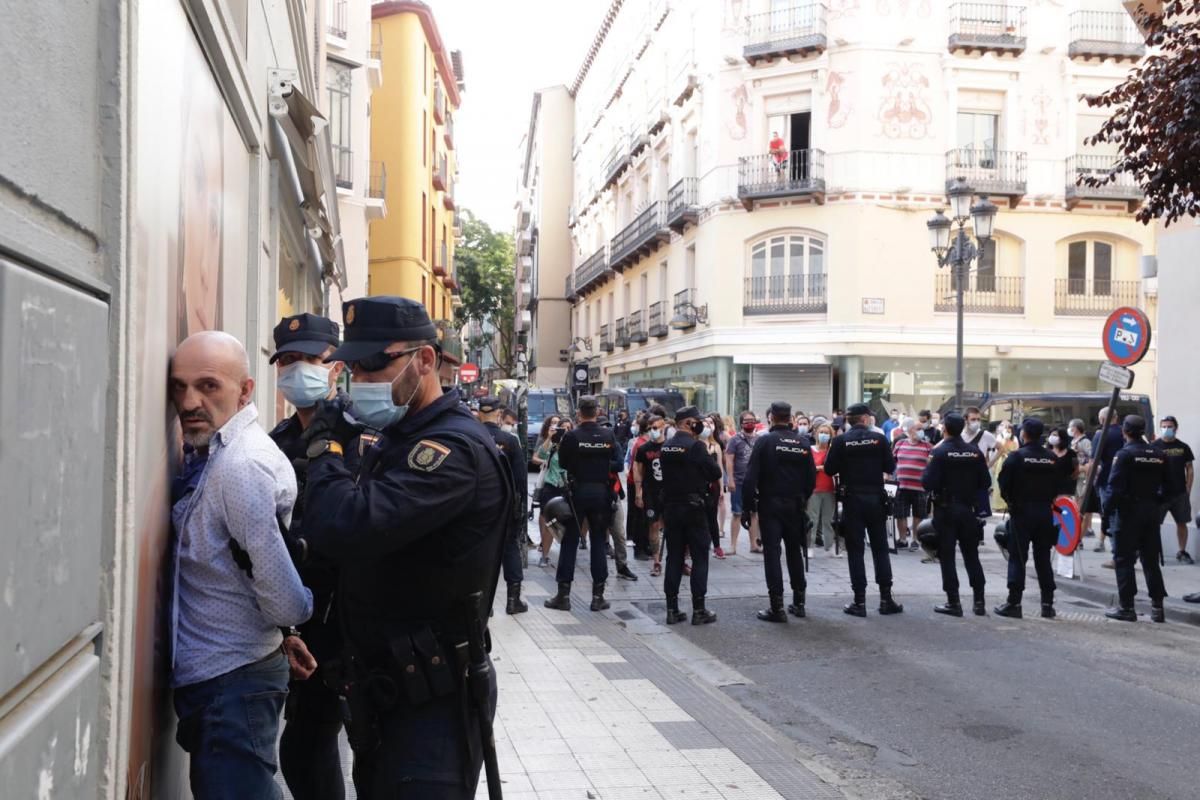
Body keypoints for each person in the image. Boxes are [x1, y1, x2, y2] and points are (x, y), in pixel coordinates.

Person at [300, 297, 511, 798]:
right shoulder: (397, 437)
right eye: (353, 365)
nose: (361, 376)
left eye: (376, 362)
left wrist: (325, 449)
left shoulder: (451, 451)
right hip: (385, 692)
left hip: (430, 706)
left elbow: (346, 526)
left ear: (425, 360)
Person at [168, 331, 314, 800]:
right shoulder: (218, 452)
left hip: (231, 683)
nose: (189, 401)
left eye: (208, 386)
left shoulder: (241, 466)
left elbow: (284, 593)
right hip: (226, 679)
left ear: (245, 390)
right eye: (179, 386)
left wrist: (288, 623)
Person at [267, 314, 352, 800]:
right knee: (304, 746)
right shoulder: (275, 443)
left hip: (345, 622)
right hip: (291, 621)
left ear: (334, 368)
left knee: (312, 744)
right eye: (289, 361)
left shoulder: (362, 439)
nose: (298, 371)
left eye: (310, 360)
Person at [823, 402, 902, 617]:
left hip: (852, 500)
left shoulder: (841, 441)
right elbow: (889, 467)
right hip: (876, 498)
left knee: (856, 551)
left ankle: (859, 602)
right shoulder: (879, 439)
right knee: (880, 549)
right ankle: (886, 599)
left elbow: (829, 469)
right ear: (865, 419)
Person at [544, 395, 622, 612]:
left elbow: (565, 463)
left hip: (578, 492)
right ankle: (598, 597)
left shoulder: (572, 436)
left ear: (579, 412)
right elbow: (618, 464)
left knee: (570, 541)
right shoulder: (608, 434)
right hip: (601, 493)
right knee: (598, 541)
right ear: (597, 411)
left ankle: (563, 595)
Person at [741, 402, 817, 622]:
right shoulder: (802, 443)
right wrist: (802, 498)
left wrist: (747, 508)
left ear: (771, 417)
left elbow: (750, 477)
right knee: (794, 551)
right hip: (795, 505)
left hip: (770, 504)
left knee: (772, 553)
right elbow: (811, 478)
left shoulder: (765, 441)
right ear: (790, 417)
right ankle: (799, 602)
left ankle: (777, 606)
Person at [922, 413, 992, 617]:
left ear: (944, 429)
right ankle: (979, 601)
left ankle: (953, 602)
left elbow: (927, 483)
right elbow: (985, 482)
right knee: (972, 556)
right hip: (968, 510)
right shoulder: (975, 452)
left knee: (947, 556)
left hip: (946, 510)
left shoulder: (940, 452)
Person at [994, 418, 1065, 619]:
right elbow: (1058, 484)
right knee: (1043, 558)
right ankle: (1047, 604)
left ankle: (1014, 602)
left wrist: (1011, 501)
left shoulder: (1017, 457)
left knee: (1018, 557)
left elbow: (1003, 483)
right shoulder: (1051, 458)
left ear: (1024, 434)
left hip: (1022, 512)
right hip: (1044, 512)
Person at [660, 407, 723, 624]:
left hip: (671, 507)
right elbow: (716, 472)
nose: (700, 425)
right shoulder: (696, 446)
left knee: (674, 557)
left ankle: (671, 608)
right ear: (687, 423)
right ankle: (699, 609)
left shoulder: (666, 446)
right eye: (697, 421)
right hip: (694, 508)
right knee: (699, 558)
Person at [1105, 415, 1170, 623]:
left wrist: (1107, 513)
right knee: (1150, 560)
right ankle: (1158, 608)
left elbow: (1113, 488)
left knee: (1123, 559)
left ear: (1125, 431)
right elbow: (1168, 486)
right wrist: (1155, 503)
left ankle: (1127, 607)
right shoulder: (1159, 454)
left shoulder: (1124, 455)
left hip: (1128, 512)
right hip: (1150, 512)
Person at [478, 396, 530, 614]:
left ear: (480, 414)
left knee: (480, 551)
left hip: (478, 504)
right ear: (499, 414)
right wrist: (522, 507)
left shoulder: (471, 436)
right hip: (506, 504)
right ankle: (512, 600)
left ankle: (482, 604)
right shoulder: (510, 440)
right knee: (510, 549)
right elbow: (520, 478)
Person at [1152, 416, 1195, 564]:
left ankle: (1182, 551)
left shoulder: (1183, 447)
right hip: (1159, 494)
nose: (1167, 429)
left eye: (1170, 426)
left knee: (1182, 523)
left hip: (1179, 493)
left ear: (1175, 428)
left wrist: (1188, 489)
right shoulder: (1154, 446)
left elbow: (1189, 469)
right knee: (1154, 524)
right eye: (1164, 426)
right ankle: (1153, 552)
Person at [1090, 407, 1126, 563]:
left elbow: (1094, 461)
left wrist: (1090, 482)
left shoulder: (1101, 434)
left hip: (1107, 481)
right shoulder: (1126, 432)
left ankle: (1117, 557)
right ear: (1116, 418)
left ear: (1102, 419)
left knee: (1111, 518)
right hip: (1127, 482)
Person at [533, 419, 571, 568]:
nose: (565, 431)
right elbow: (541, 453)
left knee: (567, 524)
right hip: (551, 486)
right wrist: (550, 437)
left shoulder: (573, 446)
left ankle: (567, 556)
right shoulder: (553, 446)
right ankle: (545, 555)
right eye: (562, 428)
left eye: (568, 428)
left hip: (567, 487)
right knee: (548, 521)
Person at [635, 414, 668, 576]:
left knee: (671, 525)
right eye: (650, 428)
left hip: (669, 492)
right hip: (651, 492)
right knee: (653, 524)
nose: (652, 431)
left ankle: (678, 559)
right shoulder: (643, 449)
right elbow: (638, 472)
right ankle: (656, 560)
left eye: (655, 428)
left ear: (663, 428)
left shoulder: (670, 446)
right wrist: (638, 493)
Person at [892, 418, 933, 551]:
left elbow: (932, 465)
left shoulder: (928, 446)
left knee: (918, 515)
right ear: (910, 430)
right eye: (918, 429)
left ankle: (915, 539)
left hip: (920, 487)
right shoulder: (900, 444)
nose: (921, 432)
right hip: (901, 486)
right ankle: (903, 539)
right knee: (900, 514)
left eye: (922, 429)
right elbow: (892, 461)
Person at [725, 411, 760, 554]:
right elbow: (729, 460)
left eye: (752, 420)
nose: (750, 423)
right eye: (746, 421)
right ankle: (733, 546)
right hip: (739, 481)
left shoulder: (759, 439)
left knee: (753, 513)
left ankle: (754, 544)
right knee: (737, 513)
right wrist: (730, 480)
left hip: (754, 483)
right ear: (741, 423)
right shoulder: (734, 440)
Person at [809, 423, 841, 556]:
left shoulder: (832, 451)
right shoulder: (810, 450)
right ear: (816, 434)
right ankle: (809, 547)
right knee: (813, 519)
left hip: (829, 489)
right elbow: (808, 467)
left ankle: (830, 546)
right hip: (814, 489)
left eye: (826, 433)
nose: (823, 435)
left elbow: (837, 467)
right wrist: (820, 468)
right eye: (821, 432)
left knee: (828, 520)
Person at [700, 415, 727, 559]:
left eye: (710, 424)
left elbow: (720, 468)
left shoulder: (716, 445)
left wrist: (722, 488)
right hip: (698, 486)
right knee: (699, 517)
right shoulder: (696, 445)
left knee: (712, 517)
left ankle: (716, 546)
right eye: (704, 424)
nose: (707, 427)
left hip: (713, 487)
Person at [1068, 418, 1093, 528]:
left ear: (1076, 429)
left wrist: (1083, 468)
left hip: (1083, 477)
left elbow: (1092, 458)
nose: (1069, 430)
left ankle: (1081, 530)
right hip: (1076, 477)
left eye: (1071, 427)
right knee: (1076, 504)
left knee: (1081, 505)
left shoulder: (1085, 442)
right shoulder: (1074, 441)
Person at [990, 422, 1018, 513]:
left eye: (1008, 427)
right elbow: (996, 451)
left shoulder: (1015, 439)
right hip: (1001, 462)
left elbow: (1016, 450)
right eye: (1004, 427)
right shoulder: (999, 437)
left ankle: (1007, 504)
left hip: (1011, 461)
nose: (1007, 429)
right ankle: (997, 506)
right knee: (998, 483)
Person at [1047, 427, 1079, 498]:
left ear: (1062, 437)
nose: (1052, 437)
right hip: (1050, 488)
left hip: (1066, 489)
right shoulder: (1046, 453)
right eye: (1051, 435)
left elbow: (1076, 469)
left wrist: (1070, 481)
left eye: (1055, 435)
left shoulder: (1071, 453)